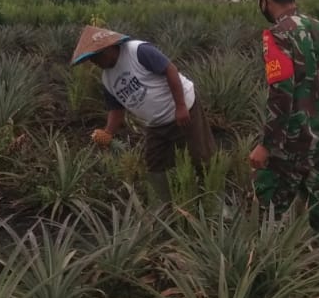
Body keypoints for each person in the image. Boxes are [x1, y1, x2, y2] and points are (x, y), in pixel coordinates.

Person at [246, 0, 319, 261]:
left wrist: (267, 144)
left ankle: (254, 281)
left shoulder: (277, 36)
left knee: (263, 207)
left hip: (290, 146)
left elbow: (281, 92)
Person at [71, 24, 215, 199]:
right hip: (156, 124)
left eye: (96, 56)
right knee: (154, 164)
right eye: (91, 59)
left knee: (201, 156)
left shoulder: (137, 50)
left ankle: (216, 201)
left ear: (108, 48)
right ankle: (164, 205)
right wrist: (108, 133)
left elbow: (170, 70)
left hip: (183, 111)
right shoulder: (107, 78)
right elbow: (116, 109)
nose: (94, 62)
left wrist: (181, 106)